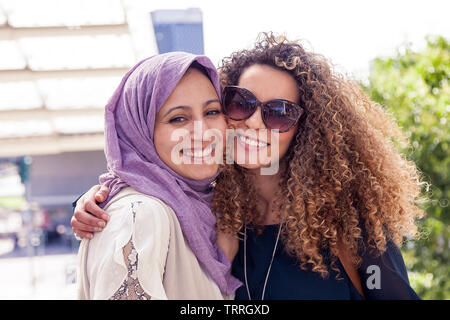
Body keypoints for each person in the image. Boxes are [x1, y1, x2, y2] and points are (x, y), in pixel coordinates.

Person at [72, 33, 425, 299]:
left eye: (279, 112)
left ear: (307, 129)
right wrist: (99, 199)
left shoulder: (348, 225)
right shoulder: (205, 212)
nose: (255, 122)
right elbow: (147, 188)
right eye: (242, 103)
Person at [76, 51, 241, 300]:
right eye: (178, 119)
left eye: (212, 112)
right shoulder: (139, 215)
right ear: (140, 131)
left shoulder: (207, 206)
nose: (204, 133)